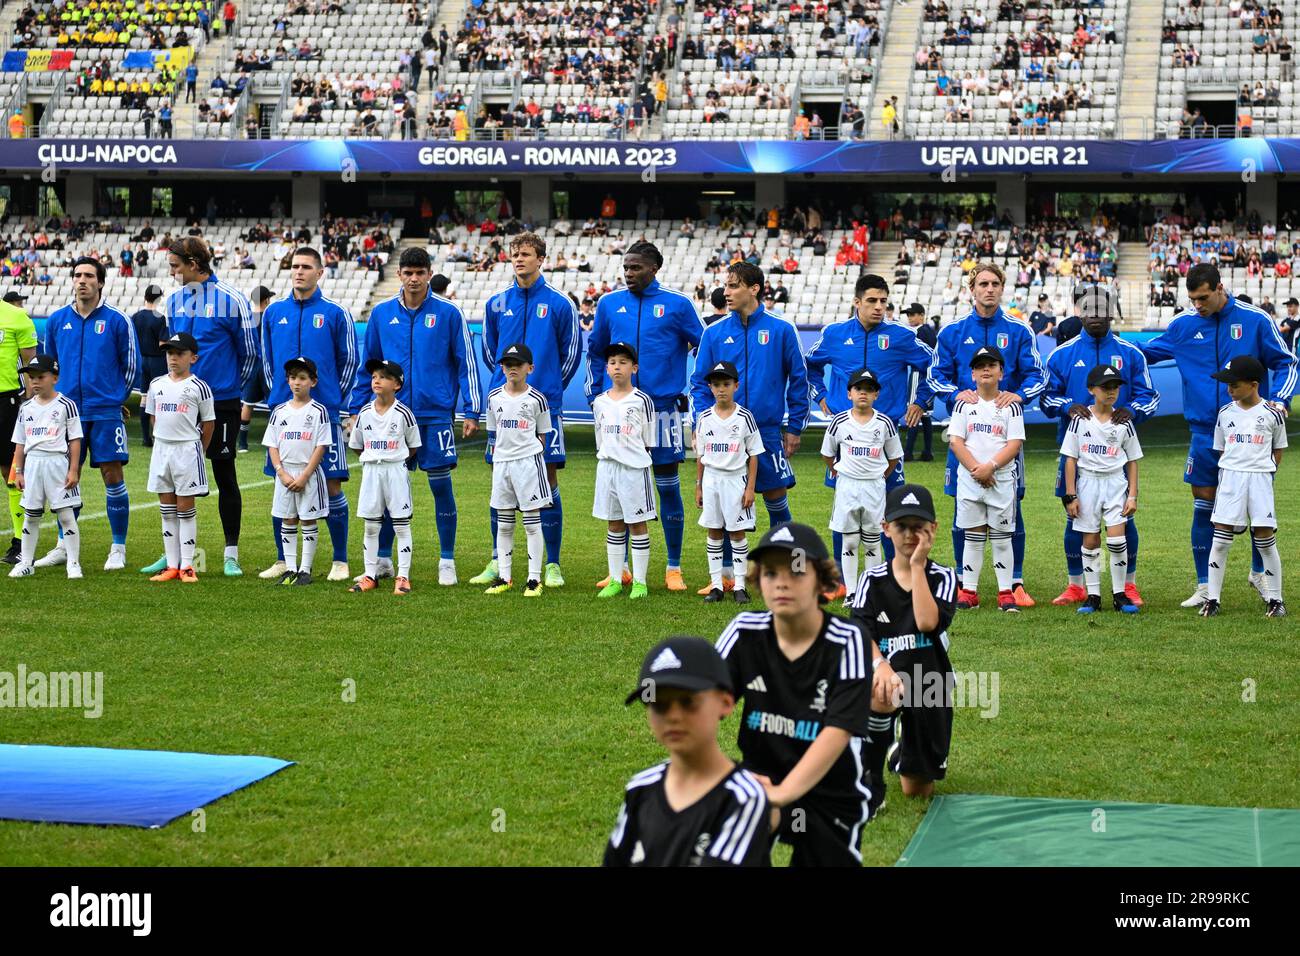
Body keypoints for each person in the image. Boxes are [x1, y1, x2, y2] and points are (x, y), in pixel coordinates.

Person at [715, 522, 890, 866]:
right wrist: (730, 777)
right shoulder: (744, 632)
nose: (781, 581)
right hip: (760, 779)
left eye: (796, 570)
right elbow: (698, 709)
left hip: (829, 791)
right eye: (769, 572)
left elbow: (837, 732)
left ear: (822, 582)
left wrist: (782, 795)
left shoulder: (848, 639)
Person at [1139, 264, 1296, 608]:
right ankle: (1205, 584)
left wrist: (1281, 400)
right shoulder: (1183, 325)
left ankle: (1260, 574)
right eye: (1193, 299)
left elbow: (1286, 362)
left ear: (1220, 288)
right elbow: (1142, 353)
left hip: (1251, 431)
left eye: (1204, 298)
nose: (1198, 305)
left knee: (1259, 510)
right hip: (1203, 430)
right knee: (1204, 507)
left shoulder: (1255, 320)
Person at [350, 246, 479, 585]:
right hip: (392, 418)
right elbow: (370, 367)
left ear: (428, 273)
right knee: (391, 489)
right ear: (399, 274)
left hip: (435, 414)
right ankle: (382, 560)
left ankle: (446, 560)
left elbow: (466, 362)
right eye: (408, 272)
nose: (414, 278)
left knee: (440, 487)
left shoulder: (449, 314)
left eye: (420, 272)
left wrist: (471, 408)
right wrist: (356, 409)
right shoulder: (381, 314)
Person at [585, 241, 704, 592]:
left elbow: (705, 345)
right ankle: (619, 569)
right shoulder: (609, 304)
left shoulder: (678, 305)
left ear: (654, 268)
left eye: (636, 267)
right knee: (619, 488)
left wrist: (695, 386)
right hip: (621, 412)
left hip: (664, 410)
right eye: (626, 267)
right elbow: (595, 352)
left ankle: (673, 567)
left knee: (667, 487)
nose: (629, 273)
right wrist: (595, 392)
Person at [926, 262, 1044, 606]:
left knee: (1012, 507)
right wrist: (954, 394)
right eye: (982, 284)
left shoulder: (1020, 331)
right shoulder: (952, 331)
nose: (989, 289)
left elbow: (1037, 375)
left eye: (994, 283)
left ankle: (1015, 583)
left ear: (1002, 288)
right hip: (966, 438)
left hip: (1003, 438)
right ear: (971, 289)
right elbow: (935, 374)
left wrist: (1018, 396)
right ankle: (965, 583)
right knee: (964, 509)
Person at [805, 274, 933, 589]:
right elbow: (810, 366)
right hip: (845, 438)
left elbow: (933, 366)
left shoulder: (902, 336)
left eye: (883, 302)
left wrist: (920, 401)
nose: (878, 307)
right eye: (872, 301)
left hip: (884, 436)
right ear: (857, 301)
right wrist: (820, 396)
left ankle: (892, 575)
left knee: (893, 508)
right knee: (843, 509)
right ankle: (839, 580)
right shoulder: (834, 334)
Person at [604, 635, 770, 867]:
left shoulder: (742, 798)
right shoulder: (640, 789)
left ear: (726, 702)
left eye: (688, 702)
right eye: (659, 705)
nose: (673, 716)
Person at [1039, 284, 1158, 607]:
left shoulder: (1132, 353)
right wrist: (1066, 405)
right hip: (1077, 454)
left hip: (1115, 455)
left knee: (1124, 520)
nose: (1095, 316)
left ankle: (1128, 586)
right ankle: (1076, 585)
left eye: (1102, 309)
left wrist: (1133, 411)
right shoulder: (1061, 355)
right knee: (1074, 515)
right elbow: (1046, 397)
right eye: (1088, 309)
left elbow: (1150, 396)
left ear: (1111, 312)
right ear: (1079, 311)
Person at [474, 234, 580, 589]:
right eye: (515, 254)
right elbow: (492, 352)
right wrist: (508, 391)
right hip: (504, 410)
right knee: (499, 482)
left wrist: (543, 393)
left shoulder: (560, 304)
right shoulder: (496, 302)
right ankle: (496, 560)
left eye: (526, 254)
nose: (519, 259)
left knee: (548, 481)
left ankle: (551, 563)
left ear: (541, 259)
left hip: (543, 406)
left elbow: (571, 355)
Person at [848, 483, 957, 803]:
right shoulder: (872, 580)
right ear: (885, 529)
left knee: (917, 791)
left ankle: (900, 750)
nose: (910, 535)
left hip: (930, 682)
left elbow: (927, 622)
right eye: (901, 527)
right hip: (887, 674)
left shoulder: (943, 577)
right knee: (881, 688)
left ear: (933, 529)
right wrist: (880, 665)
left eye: (919, 528)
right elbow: (861, 632)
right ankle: (869, 779)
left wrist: (917, 566)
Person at [259, 250, 361, 584]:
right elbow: (268, 361)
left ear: (320, 272)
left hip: (324, 413)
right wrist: (280, 398)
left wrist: (333, 399)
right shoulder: (274, 312)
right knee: (283, 482)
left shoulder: (335, 313)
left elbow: (348, 362)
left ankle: (340, 559)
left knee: (331, 486)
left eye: (306, 267)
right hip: (284, 414)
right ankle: (283, 560)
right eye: (295, 267)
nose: (299, 272)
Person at [159, 237, 256, 577]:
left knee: (224, 474)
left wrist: (225, 390)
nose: (171, 273)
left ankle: (231, 553)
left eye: (175, 266)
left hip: (222, 402)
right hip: (179, 405)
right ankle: (174, 554)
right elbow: (173, 350)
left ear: (194, 265)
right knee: (172, 480)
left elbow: (249, 354)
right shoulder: (173, 302)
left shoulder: (232, 299)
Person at [690, 262, 808, 540]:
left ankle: (786, 566)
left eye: (733, 286)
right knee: (727, 504)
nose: (726, 292)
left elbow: (799, 379)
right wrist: (702, 422)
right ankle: (729, 575)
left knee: (776, 498)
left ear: (754, 289)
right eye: (726, 286)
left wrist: (794, 428)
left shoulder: (782, 329)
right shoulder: (714, 332)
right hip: (724, 433)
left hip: (766, 431)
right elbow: (698, 383)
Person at [39, 257, 138, 572]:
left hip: (105, 411)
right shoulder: (56, 321)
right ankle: (61, 545)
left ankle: (118, 547)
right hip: (67, 414)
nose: (82, 280)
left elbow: (131, 366)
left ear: (101, 282)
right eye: (77, 275)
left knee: (112, 475)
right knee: (65, 480)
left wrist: (115, 398)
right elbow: (48, 366)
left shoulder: (117, 320)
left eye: (89, 276)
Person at [1202, 356, 1287, 617]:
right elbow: (1221, 449)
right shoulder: (1225, 413)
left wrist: (1264, 471)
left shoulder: (1272, 414)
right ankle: (1213, 599)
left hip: (1260, 478)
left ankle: (1276, 600)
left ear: (1253, 384)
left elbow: (1278, 450)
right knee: (1221, 538)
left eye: (1234, 385)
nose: (1229, 390)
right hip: (1231, 477)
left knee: (1265, 538)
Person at [947, 346, 1026, 612]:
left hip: (1001, 480)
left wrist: (990, 467)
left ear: (1001, 373)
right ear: (972, 374)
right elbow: (956, 442)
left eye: (991, 366)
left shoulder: (1011, 407)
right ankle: (969, 590)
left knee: (1002, 537)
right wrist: (977, 470)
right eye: (980, 366)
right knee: (973, 535)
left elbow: (1014, 444)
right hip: (971, 480)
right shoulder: (963, 404)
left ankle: (1006, 592)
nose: (986, 370)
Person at [1060, 365, 1143, 615]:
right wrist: (1071, 495)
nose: (1111, 392)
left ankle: (1119, 594)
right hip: (1087, 484)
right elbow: (1070, 459)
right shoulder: (1080, 420)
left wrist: (1133, 495)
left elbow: (1132, 460)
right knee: (1091, 539)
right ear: (1090, 390)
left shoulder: (1124, 422)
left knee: (1118, 539)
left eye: (1115, 387)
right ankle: (1093, 595)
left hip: (1116, 483)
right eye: (1105, 387)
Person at [820, 368, 902, 600]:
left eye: (869, 390)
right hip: (847, 486)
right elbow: (828, 453)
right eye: (858, 389)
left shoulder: (884, 422)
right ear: (849, 394)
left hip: (874, 487)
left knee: (873, 539)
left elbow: (894, 455)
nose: (863, 393)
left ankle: (870, 592)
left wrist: (881, 475)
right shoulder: (839, 421)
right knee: (850, 539)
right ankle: (851, 591)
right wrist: (837, 469)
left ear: (876, 395)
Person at [143, 333, 216, 584]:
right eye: (169, 353)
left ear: (193, 358)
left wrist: (200, 450)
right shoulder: (156, 384)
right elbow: (153, 417)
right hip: (162, 449)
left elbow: (208, 423)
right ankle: (171, 566)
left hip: (187, 450)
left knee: (185, 509)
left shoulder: (199, 387)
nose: (173, 358)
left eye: (179, 353)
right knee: (166, 510)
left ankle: (187, 566)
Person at [481, 343, 551, 598]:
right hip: (502, 465)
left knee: (532, 523)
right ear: (501, 367)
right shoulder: (494, 398)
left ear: (529, 368)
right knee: (504, 524)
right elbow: (493, 432)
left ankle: (534, 579)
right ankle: (504, 576)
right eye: (508, 364)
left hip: (528, 464)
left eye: (518, 364)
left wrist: (527, 456)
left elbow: (542, 434)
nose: (512, 368)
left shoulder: (537, 399)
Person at [7, 355, 83, 580]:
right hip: (33, 465)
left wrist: (73, 469)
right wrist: (18, 472)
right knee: (31, 516)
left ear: (55, 378)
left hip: (57, 464)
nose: (35, 382)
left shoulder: (66, 405)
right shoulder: (26, 408)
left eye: (41, 377)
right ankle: (26, 563)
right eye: (31, 378)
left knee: (66, 515)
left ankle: (73, 563)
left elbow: (75, 439)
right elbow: (20, 443)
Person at [348, 359, 420, 596]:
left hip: (395, 470)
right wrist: (374, 457)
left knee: (401, 524)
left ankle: (403, 577)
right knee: (370, 525)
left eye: (384, 377)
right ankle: (370, 575)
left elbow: (413, 446)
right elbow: (357, 445)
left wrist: (392, 457)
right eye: (374, 376)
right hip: (371, 472)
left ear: (397, 384)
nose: (376, 380)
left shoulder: (404, 414)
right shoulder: (365, 413)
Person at [592, 342, 657, 601]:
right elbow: (600, 437)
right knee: (614, 523)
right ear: (607, 368)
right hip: (607, 468)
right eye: (612, 362)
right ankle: (616, 579)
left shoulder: (642, 400)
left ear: (634, 367)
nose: (617, 367)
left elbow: (649, 439)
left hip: (634, 470)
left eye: (623, 362)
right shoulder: (599, 402)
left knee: (637, 524)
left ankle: (640, 582)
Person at [694, 360, 761, 603]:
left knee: (736, 532)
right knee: (713, 530)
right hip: (711, 480)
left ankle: (740, 586)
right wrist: (698, 486)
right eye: (716, 385)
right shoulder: (704, 418)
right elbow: (700, 456)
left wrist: (750, 488)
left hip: (736, 480)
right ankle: (716, 586)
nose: (721, 389)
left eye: (726, 384)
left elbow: (754, 455)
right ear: (710, 388)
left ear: (736, 385)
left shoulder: (745, 417)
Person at [263, 356, 332, 586]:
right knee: (288, 519)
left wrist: (304, 476)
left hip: (308, 475)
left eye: (302, 378)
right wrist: (280, 472)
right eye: (293, 378)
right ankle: (290, 569)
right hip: (285, 475)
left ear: (313, 381)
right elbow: (272, 444)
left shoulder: (319, 411)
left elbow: (321, 445)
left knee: (308, 520)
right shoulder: (279, 411)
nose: (297, 383)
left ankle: (305, 570)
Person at [0, 290, 38, 565]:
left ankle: (20, 540)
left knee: (10, 471)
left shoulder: (17, 318)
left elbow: (29, 364)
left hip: (5, 401)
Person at [237, 285, 274, 455]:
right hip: (266, 364)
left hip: (252, 364)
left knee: (248, 403)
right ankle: (274, 440)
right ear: (266, 300)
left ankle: (242, 442)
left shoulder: (248, 318)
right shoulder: (270, 316)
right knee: (275, 403)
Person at [131, 285, 168, 449]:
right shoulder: (160, 318)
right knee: (160, 398)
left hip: (142, 360)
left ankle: (146, 438)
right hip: (157, 360)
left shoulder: (135, 317)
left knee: (144, 398)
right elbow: (162, 344)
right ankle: (159, 435)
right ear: (159, 299)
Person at [903, 303, 938, 462]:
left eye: (913, 314)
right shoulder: (929, 331)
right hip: (930, 375)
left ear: (921, 315)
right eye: (908, 315)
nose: (910, 317)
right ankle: (927, 451)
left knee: (913, 411)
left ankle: (908, 452)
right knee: (925, 415)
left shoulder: (919, 332)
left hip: (919, 373)